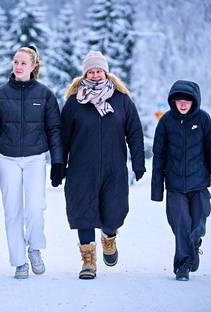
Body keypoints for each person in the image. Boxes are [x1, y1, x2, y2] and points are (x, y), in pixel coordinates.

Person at [61, 51, 146, 280]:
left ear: (106, 72)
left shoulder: (122, 100)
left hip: (114, 169)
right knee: (83, 213)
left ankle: (109, 238)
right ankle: (88, 262)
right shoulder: (74, 103)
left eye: (99, 70)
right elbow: (63, 139)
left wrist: (138, 163)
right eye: (91, 71)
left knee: (114, 214)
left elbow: (135, 134)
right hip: (81, 170)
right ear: (85, 73)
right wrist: (59, 166)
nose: (96, 74)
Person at [0, 46, 64, 279]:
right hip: (6, 158)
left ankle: (35, 248)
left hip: (35, 158)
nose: (18, 66)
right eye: (15, 62)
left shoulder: (45, 95)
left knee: (36, 208)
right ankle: (19, 261)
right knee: (12, 211)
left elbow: (55, 130)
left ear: (33, 66)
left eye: (23, 63)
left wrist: (57, 162)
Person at [151, 80, 211, 281]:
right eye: (179, 100)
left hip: (199, 184)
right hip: (175, 186)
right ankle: (183, 265)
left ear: (194, 101)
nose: (183, 103)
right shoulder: (166, 122)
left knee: (198, 222)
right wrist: (157, 190)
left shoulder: (203, 120)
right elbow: (158, 156)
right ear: (173, 101)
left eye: (187, 100)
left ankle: (194, 243)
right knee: (181, 224)